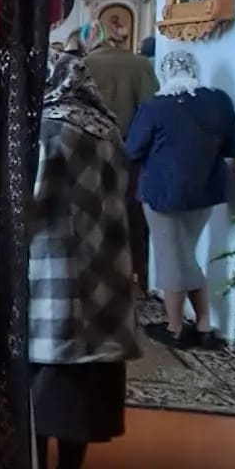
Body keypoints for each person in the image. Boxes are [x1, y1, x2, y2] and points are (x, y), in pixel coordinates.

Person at [29, 53, 138, 469]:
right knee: (81, 389)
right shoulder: (106, 127)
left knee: (40, 388)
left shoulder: (49, 128)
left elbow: (31, 201)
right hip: (104, 272)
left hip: (52, 275)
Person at [125, 48, 235, 348]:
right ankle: (203, 325)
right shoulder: (219, 100)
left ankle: (175, 328)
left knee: (171, 260)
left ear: (165, 72)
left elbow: (133, 149)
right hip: (206, 191)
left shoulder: (155, 107)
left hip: (162, 192)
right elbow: (234, 146)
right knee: (185, 256)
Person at [80, 19, 158, 289]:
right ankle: (137, 276)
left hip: (91, 149)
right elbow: (151, 109)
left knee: (94, 211)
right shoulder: (141, 65)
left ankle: (97, 274)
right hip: (131, 151)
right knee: (132, 214)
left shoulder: (84, 65)